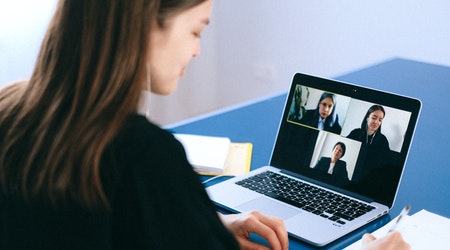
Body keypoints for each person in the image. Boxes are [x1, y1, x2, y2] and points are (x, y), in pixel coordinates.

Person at [0, 0, 409, 249]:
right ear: (145, 23)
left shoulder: (10, 109)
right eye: (196, 30)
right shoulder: (144, 156)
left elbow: (88, 227)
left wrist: (203, 226)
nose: (197, 51)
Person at [347, 105, 391, 182]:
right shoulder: (355, 133)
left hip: (371, 179)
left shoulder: (383, 140)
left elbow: (386, 164)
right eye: (374, 118)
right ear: (367, 118)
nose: (376, 122)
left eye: (380, 120)